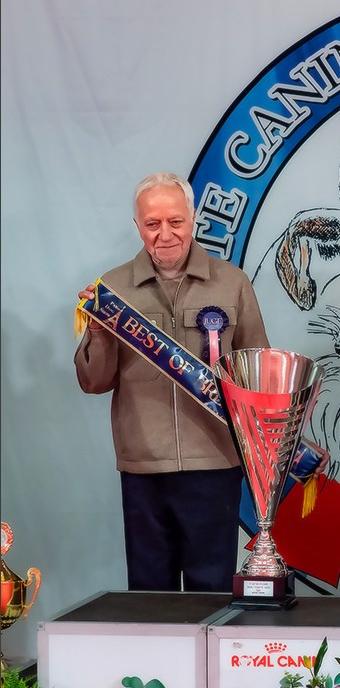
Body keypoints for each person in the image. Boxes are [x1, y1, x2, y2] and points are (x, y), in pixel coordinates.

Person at [75, 171, 270, 592]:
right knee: (150, 596)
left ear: (193, 218)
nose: (165, 234)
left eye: (175, 221)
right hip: (143, 466)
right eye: (152, 223)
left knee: (212, 593)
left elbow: (258, 374)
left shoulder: (232, 282)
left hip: (215, 462)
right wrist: (97, 333)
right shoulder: (111, 289)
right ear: (138, 226)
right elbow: (93, 381)